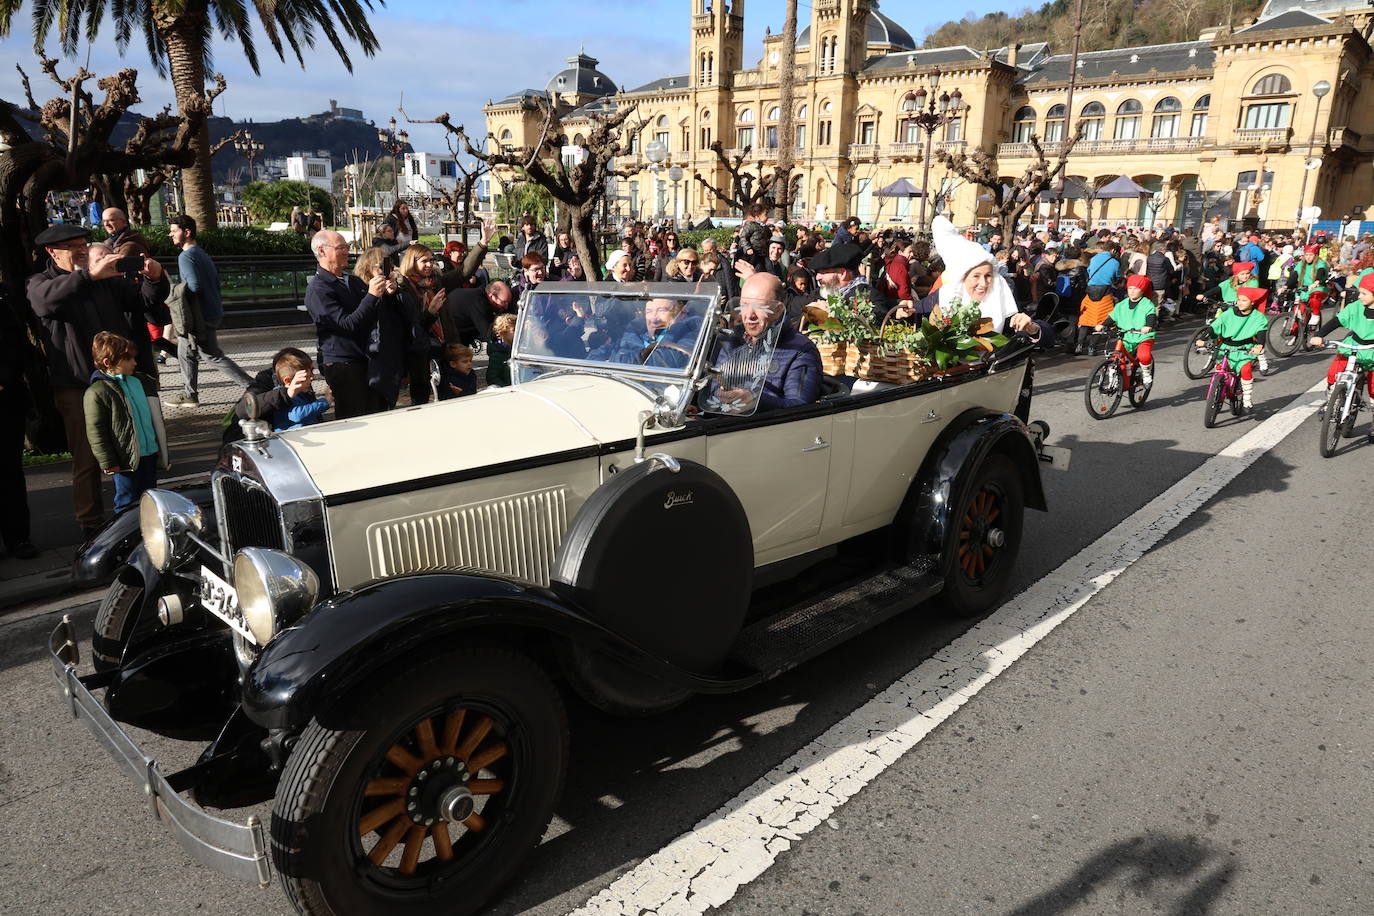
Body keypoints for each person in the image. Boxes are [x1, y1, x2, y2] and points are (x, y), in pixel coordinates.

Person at [27, 223, 169, 540]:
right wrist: (89, 276)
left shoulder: (105, 281)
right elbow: (43, 302)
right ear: (52, 251)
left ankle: (137, 517)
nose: (82, 250)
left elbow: (143, 301)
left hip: (118, 382)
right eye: (74, 247)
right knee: (88, 457)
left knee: (133, 445)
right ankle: (90, 526)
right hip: (76, 385)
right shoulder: (40, 282)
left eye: (83, 244)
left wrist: (155, 278)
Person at [914, 217, 1049, 343]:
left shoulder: (998, 295)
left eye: (988, 276)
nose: (983, 284)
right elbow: (915, 313)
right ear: (962, 278)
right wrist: (905, 309)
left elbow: (1047, 336)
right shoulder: (946, 294)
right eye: (976, 276)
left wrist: (1032, 328)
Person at [167, 214, 253, 408]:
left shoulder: (185, 256)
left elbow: (194, 286)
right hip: (209, 312)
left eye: (174, 231)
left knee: (211, 355)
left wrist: (175, 291)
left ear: (187, 232)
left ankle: (252, 385)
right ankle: (190, 394)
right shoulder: (201, 253)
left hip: (199, 316)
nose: (170, 235)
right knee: (186, 351)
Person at [304, 229, 388, 418]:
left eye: (347, 247)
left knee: (379, 415)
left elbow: (373, 315)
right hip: (344, 364)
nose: (346, 252)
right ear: (322, 251)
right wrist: (372, 295)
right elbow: (346, 325)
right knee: (355, 418)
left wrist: (385, 293)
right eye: (341, 248)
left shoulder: (353, 281)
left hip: (368, 360)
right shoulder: (318, 289)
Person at [83, 331, 167, 515]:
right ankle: (127, 531)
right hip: (125, 460)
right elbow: (96, 432)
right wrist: (108, 461)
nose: (134, 363)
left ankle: (147, 531)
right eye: (128, 359)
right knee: (126, 502)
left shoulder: (140, 382)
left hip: (149, 453)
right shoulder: (98, 391)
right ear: (108, 363)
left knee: (151, 498)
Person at [713, 272, 821, 412]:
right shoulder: (732, 340)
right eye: (744, 305)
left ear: (778, 310)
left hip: (769, 424)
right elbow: (714, 390)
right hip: (722, 421)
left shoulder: (800, 350)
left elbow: (801, 408)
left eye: (759, 307)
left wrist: (756, 400)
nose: (749, 315)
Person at [227, 347, 333, 440]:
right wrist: (325, 402)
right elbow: (243, 409)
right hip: (289, 438)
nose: (313, 377)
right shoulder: (268, 383)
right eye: (307, 373)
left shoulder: (301, 385)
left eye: (311, 371)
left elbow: (313, 414)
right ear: (288, 380)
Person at [1310, 272, 1374, 425]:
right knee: (1334, 372)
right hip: (1354, 345)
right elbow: (1336, 321)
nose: (1359, 296)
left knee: (1373, 388)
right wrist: (1319, 335)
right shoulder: (1355, 307)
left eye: (1364, 293)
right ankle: (1332, 401)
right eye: (1359, 292)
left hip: (1372, 350)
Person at [0, 299, 36, 559]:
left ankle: (18, 538)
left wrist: (4, 378)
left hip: (5, 401)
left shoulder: (2, 306)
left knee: (9, 472)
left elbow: (17, 346)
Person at [1205, 286, 1270, 416]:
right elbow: (1215, 326)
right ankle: (1217, 392)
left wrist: (1259, 346)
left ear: (1252, 302)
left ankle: (1247, 400)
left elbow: (1261, 332)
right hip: (1225, 346)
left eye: (1244, 300)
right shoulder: (1229, 313)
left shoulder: (1258, 317)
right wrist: (1203, 338)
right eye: (1239, 300)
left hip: (1244, 348)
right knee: (1220, 369)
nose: (1240, 303)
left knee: (1245, 369)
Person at [1094, 275, 1159, 386]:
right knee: (1115, 358)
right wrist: (1103, 325)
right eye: (1130, 288)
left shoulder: (1147, 304)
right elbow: (1112, 317)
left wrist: (1148, 326)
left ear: (1142, 290)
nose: (1132, 291)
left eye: (1136, 289)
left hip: (1143, 336)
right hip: (1126, 336)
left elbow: (1151, 316)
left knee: (1144, 355)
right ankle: (1112, 384)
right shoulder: (1121, 305)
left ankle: (1146, 374)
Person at [446, 280, 513, 346]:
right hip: (449, 339)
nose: (506, 306)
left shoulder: (477, 295)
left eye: (508, 303)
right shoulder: (479, 303)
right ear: (491, 296)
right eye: (504, 302)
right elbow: (489, 334)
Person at [1287, 244, 1330, 331]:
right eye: (1306, 255)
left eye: (1310, 255)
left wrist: (1316, 282)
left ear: (1315, 255)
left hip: (1318, 288)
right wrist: (1285, 286)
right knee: (1298, 310)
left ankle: (1315, 315)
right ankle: (1295, 333)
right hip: (1303, 289)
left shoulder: (1320, 263)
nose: (1308, 257)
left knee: (1315, 296)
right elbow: (1295, 275)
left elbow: (1320, 271)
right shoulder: (1301, 264)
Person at [486, 313, 516, 387]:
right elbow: (492, 377)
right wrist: (506, 388)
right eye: (514, 330)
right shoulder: (497, 354)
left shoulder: (517, 348)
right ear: (503, 332)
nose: (517, 332)